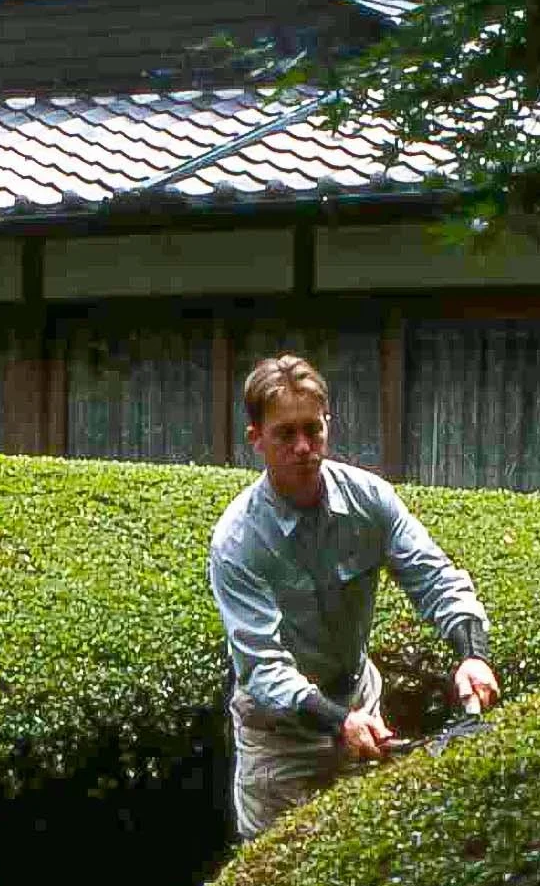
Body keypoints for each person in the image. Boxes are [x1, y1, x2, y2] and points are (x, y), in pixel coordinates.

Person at [208, 354, 502, 840]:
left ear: (328, 424)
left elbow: (435, 578)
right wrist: (337, 721)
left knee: (366, 856)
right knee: (278, 873)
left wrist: (473, 655)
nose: (304, 447)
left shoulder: (371, 499)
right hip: (280, 739)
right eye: (285, 434)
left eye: (313, 429)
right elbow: (261, 666)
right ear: (256, 439)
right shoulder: (238, 541)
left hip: (358, 704)